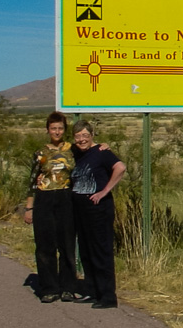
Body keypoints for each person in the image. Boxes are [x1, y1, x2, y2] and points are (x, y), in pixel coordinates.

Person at [70, 120, 126, 309]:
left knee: (101, 251)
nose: (82, 139)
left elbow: (120, 167)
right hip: (81, 209)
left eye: (85, 135)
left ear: (92, 135)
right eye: (78, 136)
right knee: (85, 251)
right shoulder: (76, 153)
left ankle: (107, 296)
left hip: (99, 209)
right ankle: (93, 291)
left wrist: (105, 191)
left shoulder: (102, 153)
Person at [24, 111, 78, 303]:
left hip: (67, 198)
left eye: (60, 128)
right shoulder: (40, 153)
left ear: (65, 130)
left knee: (67, 245)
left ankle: (68, 287)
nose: (57, 131)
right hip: (44, 199)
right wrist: (29, 208)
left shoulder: (73, 150)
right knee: (45, 245)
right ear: (47, 130)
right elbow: (32, 182)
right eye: (53, 128)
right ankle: (49, 288)